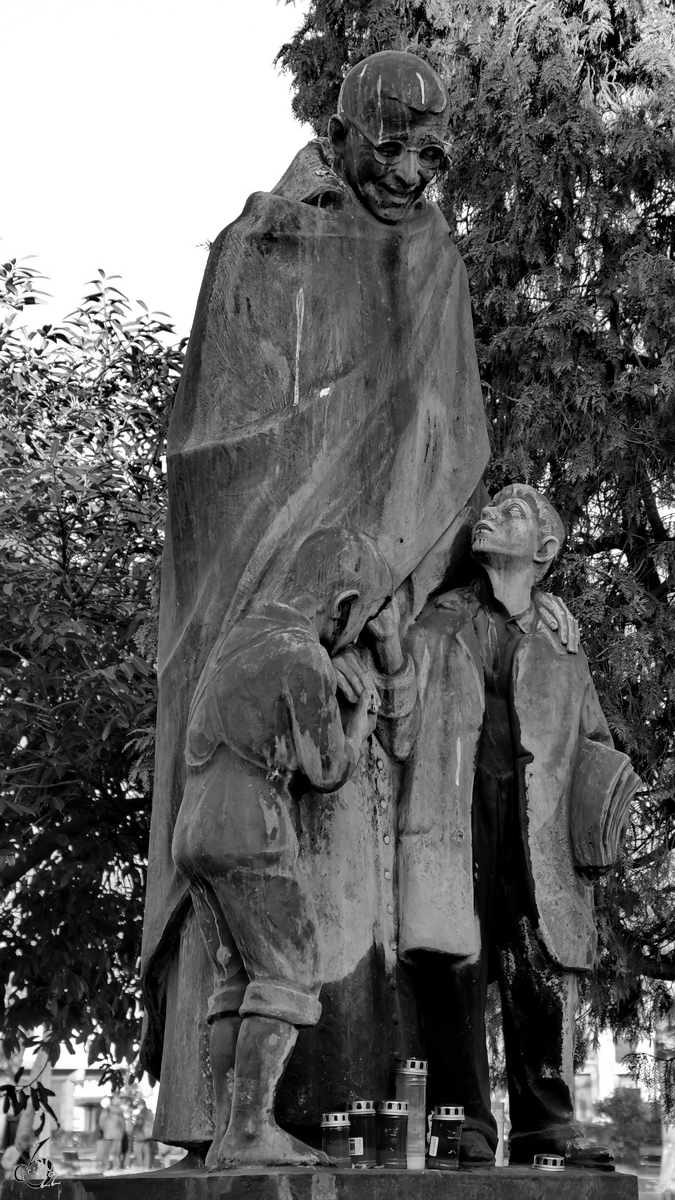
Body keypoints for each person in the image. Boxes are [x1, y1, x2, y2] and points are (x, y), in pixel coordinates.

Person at [140, 47, 491, 1146]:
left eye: (433, 156)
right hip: (279, 592)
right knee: (278, 943)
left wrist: (405, 577)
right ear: (344, 135)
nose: (412, 176)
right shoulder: (264, 241)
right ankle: (245, 1121)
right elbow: (213, 445)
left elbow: (447, 437)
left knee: (369, 901)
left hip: (383, 594)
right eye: (392, 148)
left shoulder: (434, 256)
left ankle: (354, 1114)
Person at [398, 485, 639, 1169]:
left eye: (512, 512)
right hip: (453, 814)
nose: (490, 515)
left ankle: (544, 1127)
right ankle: (461, 1123)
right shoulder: (437, 619)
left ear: (544, 549)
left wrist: (602, 812)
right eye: (491, 507)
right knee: (454, 965)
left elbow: (591, 735)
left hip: (538, 830)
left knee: (536, 968)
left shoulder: (560, 641)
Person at [172, 527, 395, 1168]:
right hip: (250, 826)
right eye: (361, 618)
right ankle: (249, 1130)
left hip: (196, 828)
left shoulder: (239, 639)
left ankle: (224, 1134)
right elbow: (325, 769)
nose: (354, 635)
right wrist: (360, 722)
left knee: (235, 979)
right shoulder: (303, 655)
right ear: (344, 600)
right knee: (288, 972)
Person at [98, 1100, 126, 1170]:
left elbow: (101, 1123)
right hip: (118, 1135)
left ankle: (106, 1165)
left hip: (107, 1134)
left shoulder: (106, 1111)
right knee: (116, 1153)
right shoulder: (120, 1113)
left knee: (106, 1152)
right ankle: (116, 1166)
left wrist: (104, 1130)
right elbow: (123, 1125)